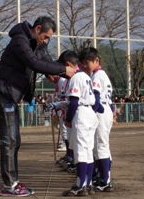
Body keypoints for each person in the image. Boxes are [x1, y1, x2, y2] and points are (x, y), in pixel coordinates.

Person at [0, 16, 75, 197]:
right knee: (9, 141)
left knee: (14, 141)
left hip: (11, 96)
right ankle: (10, 185)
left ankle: (13, 182)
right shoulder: (20, 40)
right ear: (37, 29)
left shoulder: (37, 43)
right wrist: (61, 70)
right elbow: (33, 62)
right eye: (45, 36)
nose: (46, 41)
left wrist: (57, 72)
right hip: (3, 94)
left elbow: (44, 59)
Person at [62, 47, 103, 197]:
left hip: (82, 114)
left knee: (80, 152)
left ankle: (80, 185)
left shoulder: (77, 77)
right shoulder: (87, 76)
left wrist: (67, 119)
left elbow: (74, 102)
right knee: (88, 151)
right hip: (91, 113)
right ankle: (88, 184)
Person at [91, 50, 114, 192]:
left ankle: (105, 180)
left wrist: (93, 111)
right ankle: (103, 177)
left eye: (87, 61)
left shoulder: (97, 75)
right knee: (100, 145)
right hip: (107, 109)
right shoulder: (102, 74)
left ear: (96, 60)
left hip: (101, 110)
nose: (84, 65)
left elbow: (97, 97)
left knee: (101, 145)